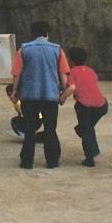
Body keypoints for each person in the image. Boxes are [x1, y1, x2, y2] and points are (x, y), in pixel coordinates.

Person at [10, 21, 69, 169]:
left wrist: (14, 91)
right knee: (50, 129)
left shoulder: (24, 49)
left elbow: (17, 73)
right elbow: (63, 74)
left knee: (30, 129)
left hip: (30, 96)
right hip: (51, 96)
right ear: (47, 34)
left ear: (32, 33)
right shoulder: (57, 50)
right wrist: (63, 92)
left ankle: (27, 161)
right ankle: (52, 161)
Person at [59, 47, 109, 167]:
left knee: (86, 130)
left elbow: (71, 87)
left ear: (70, 61)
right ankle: (85, 135)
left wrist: (62, 98)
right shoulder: (91, 71)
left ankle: (90, 158)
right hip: (102, 105)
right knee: (88, 127)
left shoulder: (73, 72)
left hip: (85, 106)